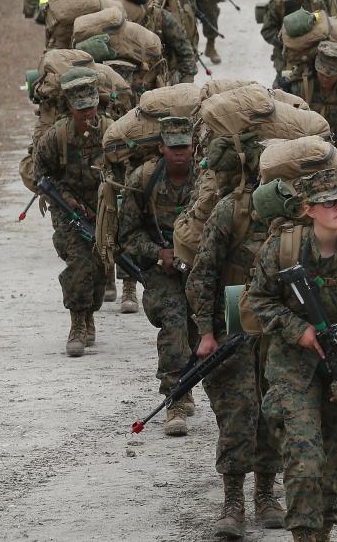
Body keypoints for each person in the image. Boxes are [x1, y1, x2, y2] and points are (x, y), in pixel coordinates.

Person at [246, 169, 337, 542]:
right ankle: (305, 535)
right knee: (304, 457)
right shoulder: (284, 248)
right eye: (329, 202)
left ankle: (322, 528)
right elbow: (257, 300)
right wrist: (300, 330)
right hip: (293, 366)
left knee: (329, 462)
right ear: (309, 209)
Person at [187, 174, 285, 537]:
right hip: (232, 327)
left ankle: (265, 494)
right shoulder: (231, 210)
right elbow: (202, 274)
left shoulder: (302, 217)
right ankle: (233, 501)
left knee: (273, 408)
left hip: (278, 331)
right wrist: (205, 333)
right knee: (238, 411)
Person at [117, 116, 198, 436]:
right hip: (161, 271)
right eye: (173, 147)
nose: (179, 153)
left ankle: (189, 385)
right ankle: (174, 399)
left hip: (199, 269)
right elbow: (128, 235)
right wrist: (157, 253)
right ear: (162, 147)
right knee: (174, 325)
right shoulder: (144, 179)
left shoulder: (207, 181)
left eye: (185, 147)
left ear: (193, 148)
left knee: (198, 331)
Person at [32, 69, 112, 357]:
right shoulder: (57, 137)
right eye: (81, 110)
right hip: (69, 211)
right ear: (70, 108)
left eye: (91, 107)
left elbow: (127, 171)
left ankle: (90, 313)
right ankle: (77, 323)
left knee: (101, 267)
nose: (88, 114)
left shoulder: (111, 132)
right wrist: (66, 199)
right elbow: (40, 173)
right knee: (80, 264)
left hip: (104, 210)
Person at [261, 0, 330, 75]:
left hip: (312, 53)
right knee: (283, 87)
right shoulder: (279, 3)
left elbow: (327, 26)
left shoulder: (316, 2)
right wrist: (284, 41)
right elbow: (267, 30)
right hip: (286, 56)